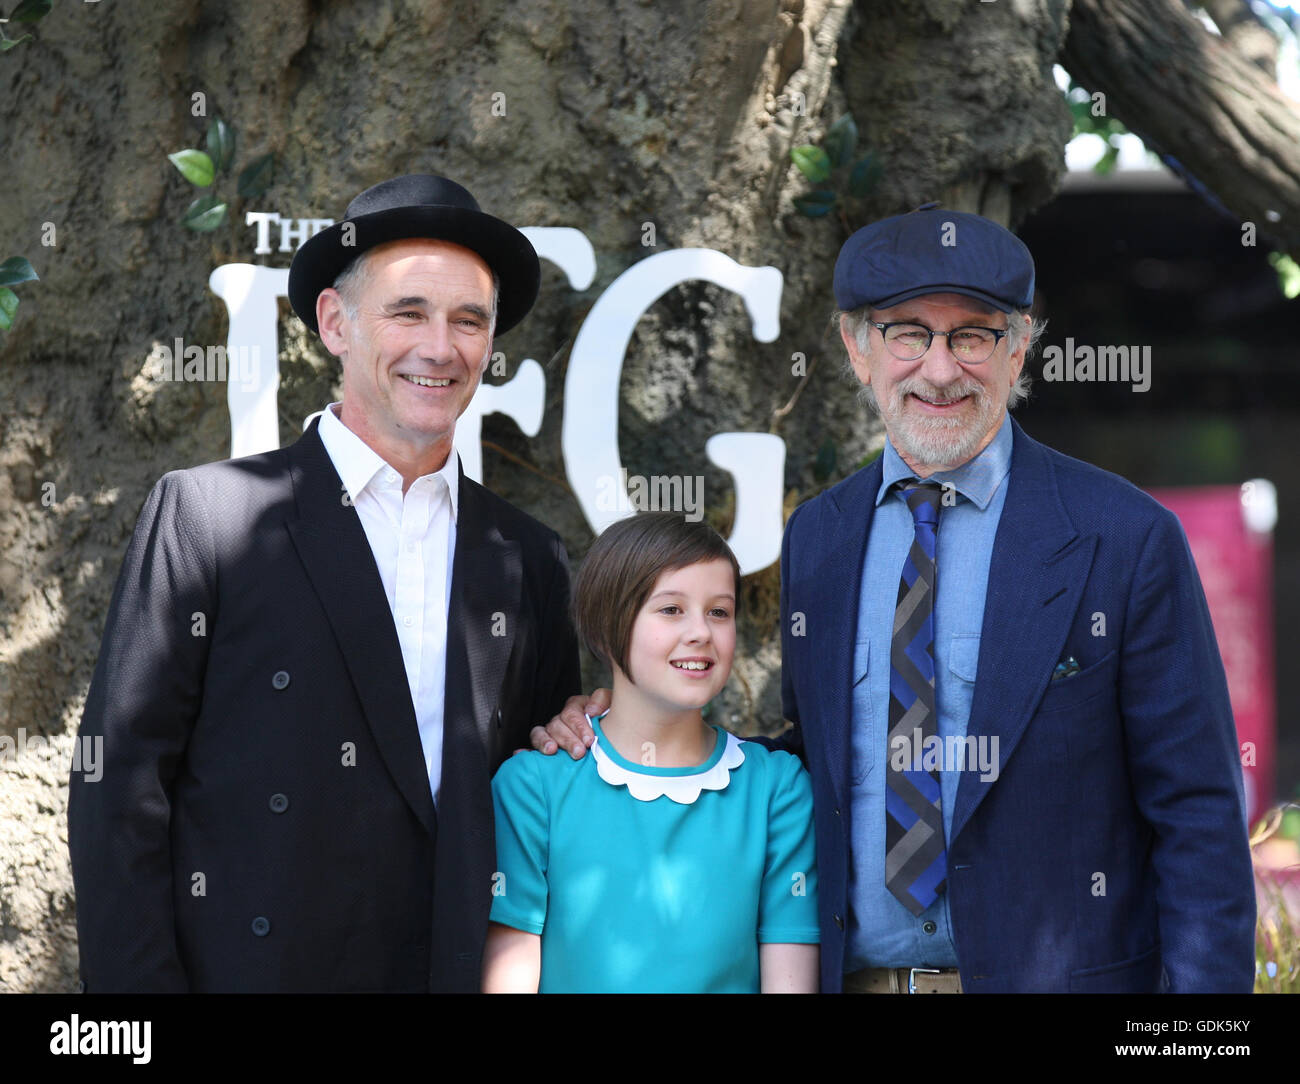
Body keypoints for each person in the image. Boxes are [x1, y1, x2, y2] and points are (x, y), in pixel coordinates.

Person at [534, 205, 1256, 993]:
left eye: (973, 335)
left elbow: (1198, 812)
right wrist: (621, 730)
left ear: (1018, 351)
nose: (940, 370)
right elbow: (816, 764)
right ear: (856, 349)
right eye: (908, 333)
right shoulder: (821, 535)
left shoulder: (1123, 536)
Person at [68, 174, 581, 992]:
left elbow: (539, 793)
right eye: (408, 311)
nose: (440, 346)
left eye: (468, 321)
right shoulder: (207, 516)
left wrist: (577, 728)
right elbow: (118, 786)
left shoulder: (528, 555)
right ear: (335, 324)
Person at [483, 512, 819, 992]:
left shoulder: (777, 788)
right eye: (671, 609)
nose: (701, 631)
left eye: (719, 611)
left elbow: (790, 975)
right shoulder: (532, 787)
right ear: (606, 626)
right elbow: (510, 973)